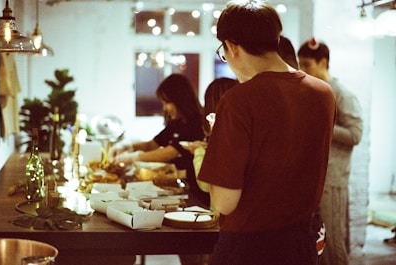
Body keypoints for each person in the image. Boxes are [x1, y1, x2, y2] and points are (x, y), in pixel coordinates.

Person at [197, 1, 336, 265]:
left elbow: (224, 203)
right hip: (300, 244)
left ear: (232, 46)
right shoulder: (323, 94)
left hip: (248, 248)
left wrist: (219, 138)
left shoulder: (237, 101)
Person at [298, 38, 363, 265]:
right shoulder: (313, 91)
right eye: (300, 64)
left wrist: (322, 125)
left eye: (307, 64)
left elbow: (355, 134)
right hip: (313, 179)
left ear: (323, 62)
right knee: (318, 243)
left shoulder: (342, 93)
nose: (302, 70)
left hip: (333, 179)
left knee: (333, 242)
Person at [108, 73, 208, 206]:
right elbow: (153, 144)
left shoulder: (196, 122)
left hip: (195, 190)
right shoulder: (177, 121)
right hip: (179, 186)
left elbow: (170, 152)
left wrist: (132, 157)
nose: (165, 108)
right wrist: (128, 146)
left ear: (180, 99)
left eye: (167, 102)